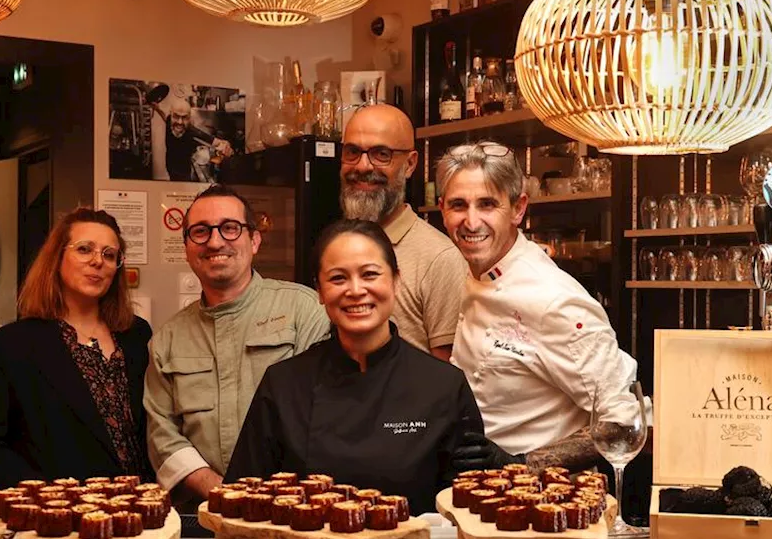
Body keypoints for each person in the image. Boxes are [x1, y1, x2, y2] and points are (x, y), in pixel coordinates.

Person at [225, 220, 486, 512]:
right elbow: (241, 500)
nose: (355, 290)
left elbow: (467, 509)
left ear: (395, 281)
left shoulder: (443, 386)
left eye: (370, 274)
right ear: (320, 291)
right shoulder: (284, 384)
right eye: (338, 278)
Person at [437, 142, 641, 472]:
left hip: (545, 502)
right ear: (442, 209)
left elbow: (623, 422)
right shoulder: (476, 272)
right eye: (459, 205)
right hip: (485, 494)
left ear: (518, 209)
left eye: (487, 204)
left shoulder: (554, 299)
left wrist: (521, 464)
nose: (471, 222)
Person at [145, 185, 329, 506]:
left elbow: (327, 414)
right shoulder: (167, 339)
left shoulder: (304, 310)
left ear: (254, 240)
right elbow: (162, 434)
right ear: (187, 246)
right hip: (204, 513)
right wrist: (221, 493)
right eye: (201, 232)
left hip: (294, 510)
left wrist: (275, 497)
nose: (215, 241)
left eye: (230, 228)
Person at [0, 208, 153, 490]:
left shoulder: (136, 334)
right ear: (57, 258)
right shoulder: (14, 344)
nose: (97, 261)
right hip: (54, 518)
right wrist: (45, 495)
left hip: (132, 510)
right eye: (85, 249)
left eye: (109, 254)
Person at [339, 104, 468, 360]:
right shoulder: (336, 246)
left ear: (410, 164)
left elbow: (447, 381)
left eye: (381, 154)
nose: (363, 166)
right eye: (353, 152)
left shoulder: (439, 259)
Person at [153, 97, 234, 182]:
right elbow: (165, 118)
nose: (180, 122)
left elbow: (216, 142)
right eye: (176, 116)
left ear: (189, 118)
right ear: (171, 114)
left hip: (184, 173)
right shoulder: (170, 121)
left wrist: (227, 146)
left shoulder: (191, 132)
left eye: (184, 117)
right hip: (170, 167)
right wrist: (157, 109)